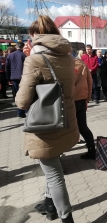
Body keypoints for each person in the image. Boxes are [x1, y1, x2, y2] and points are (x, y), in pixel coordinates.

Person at [15, 15, 78, 223]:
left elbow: (22, 101)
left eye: (30, 37)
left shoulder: (34, 60)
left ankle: (66, 217)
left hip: (45, 125)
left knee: (54, 175)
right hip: (65, 119)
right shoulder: (68, 57)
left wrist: (29, 60)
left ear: (36, 37)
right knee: (53, 167)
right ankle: (50, 206)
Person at [74, 57, 96, 159]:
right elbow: (89, 81)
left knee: (64, 128)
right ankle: (92, 150)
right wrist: (87, 98)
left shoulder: (63, 64)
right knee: (83, 126)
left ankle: (57, 157)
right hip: (81, 98)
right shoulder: (81, 62)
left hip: (69, 100)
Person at [6, 42, 27, 117]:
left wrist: (8, 79)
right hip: (23, 77)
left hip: (14, 77)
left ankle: (20, 110)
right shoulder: (23, 55)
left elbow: (7, 68)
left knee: (17, 94)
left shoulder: (10, 55)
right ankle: (22, 111)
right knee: (24, 94)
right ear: (23, 47)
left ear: (16, 47)